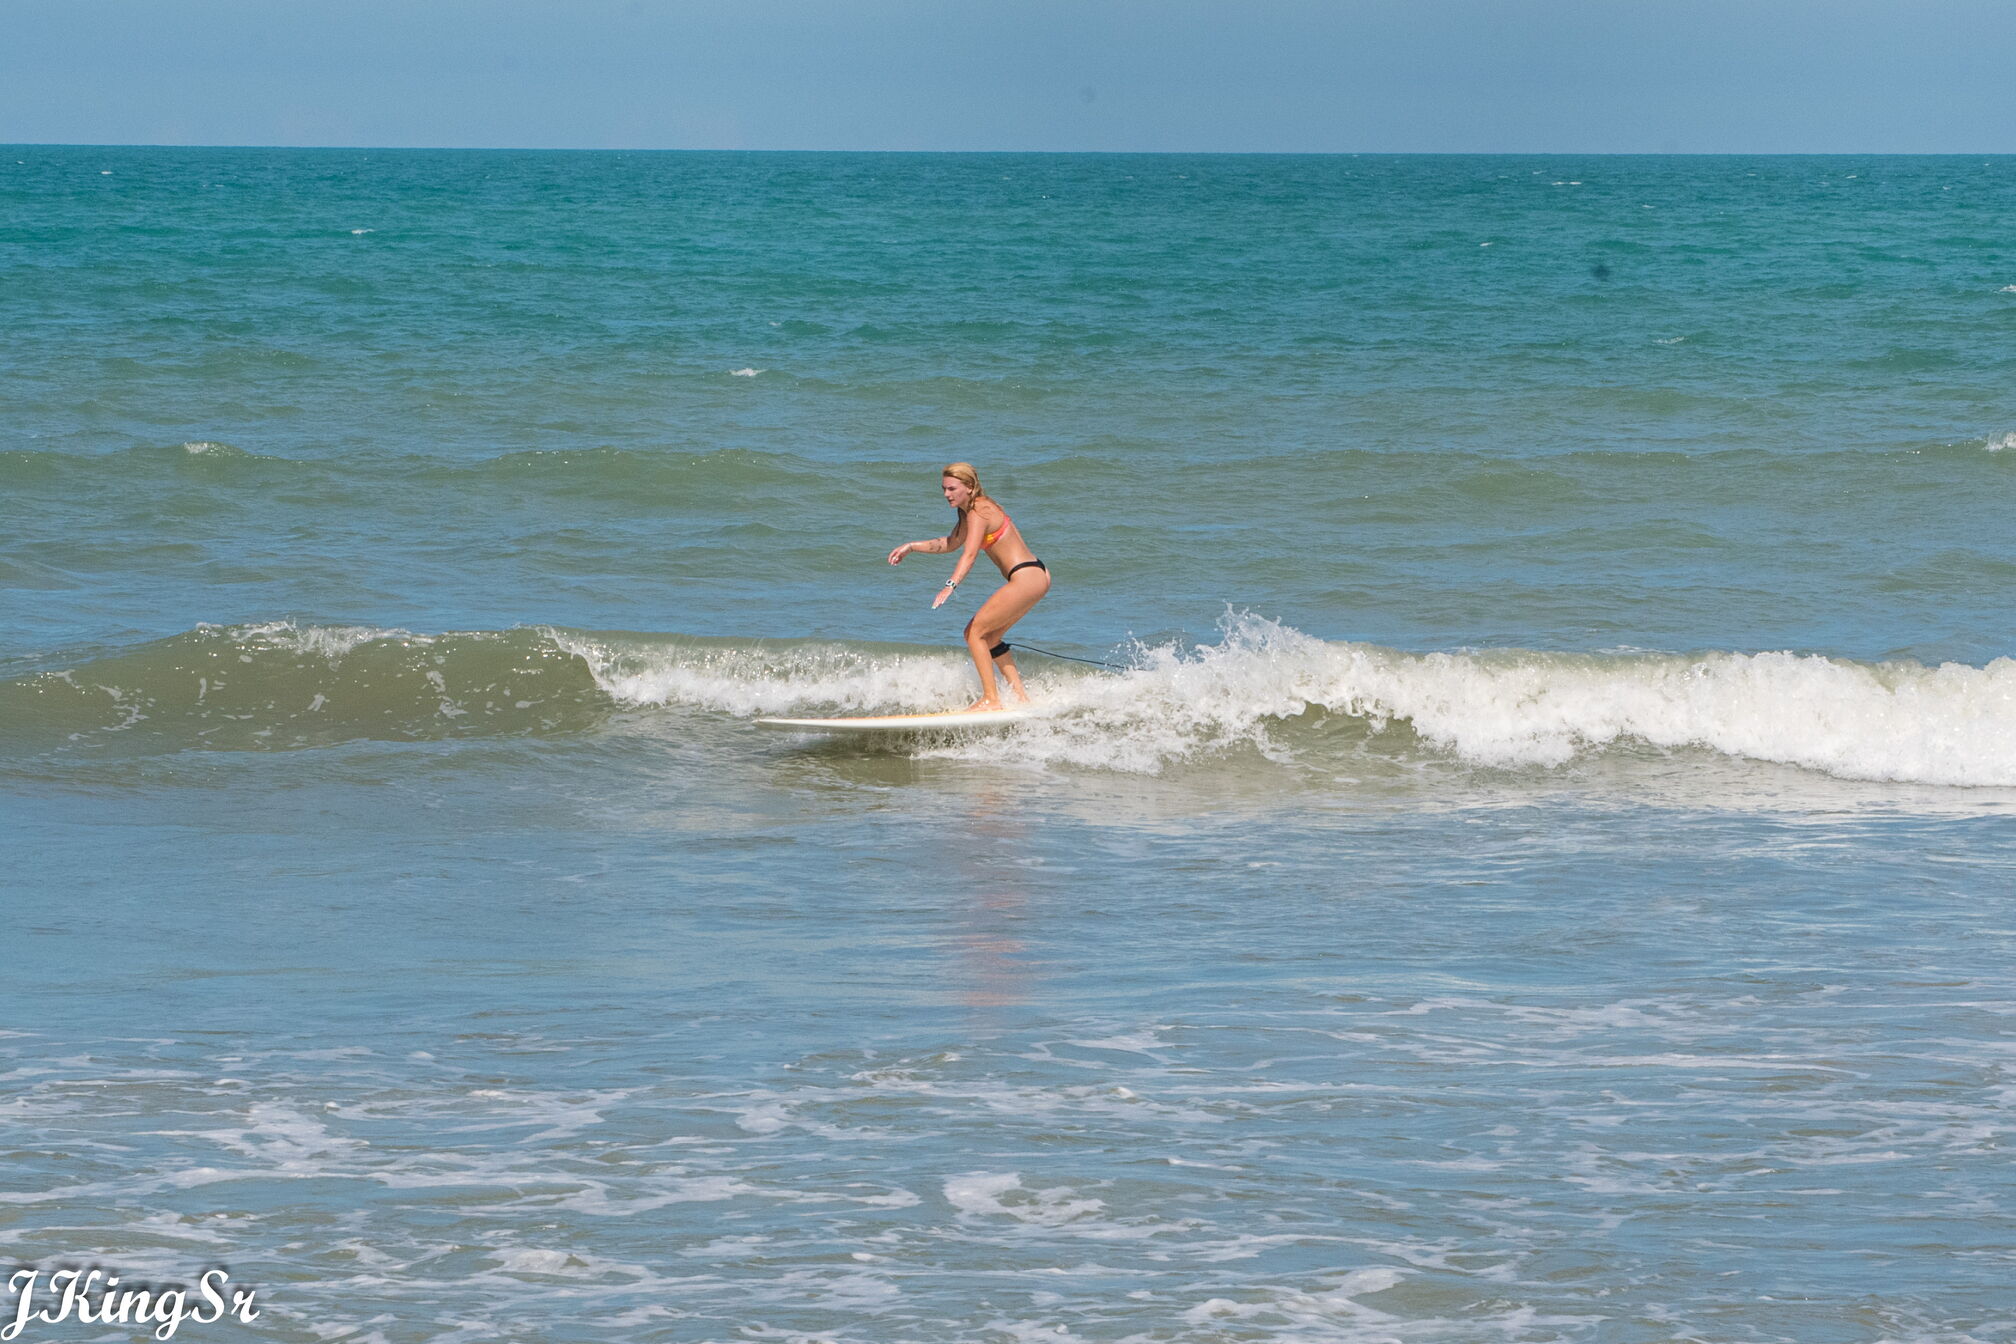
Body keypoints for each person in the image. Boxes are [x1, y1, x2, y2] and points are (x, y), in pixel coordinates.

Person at [886, 462, 1051, 711]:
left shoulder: (979, 510)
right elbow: (951, 543)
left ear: (970, 487)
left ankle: (991, 699)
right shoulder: (968, 513)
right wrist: (912, 546)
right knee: (990, 637)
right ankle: (1020, 697)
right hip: (1035, 575)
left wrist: (950, 585)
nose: (946, 494)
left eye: (952, 489)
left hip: (1027, 577)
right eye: (944, 489)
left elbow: (970, 554)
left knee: (974, 633)